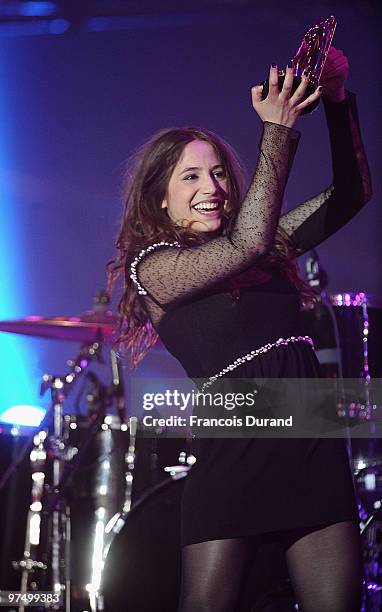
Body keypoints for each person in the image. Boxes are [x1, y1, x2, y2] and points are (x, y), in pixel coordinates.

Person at [109, 47, 372, 611]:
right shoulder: (154, 265)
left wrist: (335, 100)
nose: (213, 186)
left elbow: (352, 195)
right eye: (192, 176)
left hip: (312, 432)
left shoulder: (265, 247)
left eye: (221, 172)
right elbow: (245, 241)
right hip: (238, 437)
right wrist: (277, 131)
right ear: (160, 195)